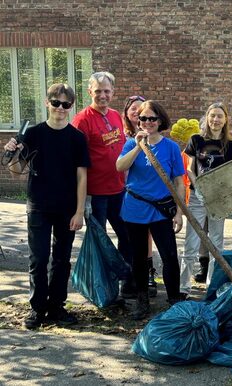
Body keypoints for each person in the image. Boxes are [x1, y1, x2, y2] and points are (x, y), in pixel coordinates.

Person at [3, 83, 90, 329]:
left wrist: (79, 211)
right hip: (38, 205)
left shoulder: (76, 138)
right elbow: (17, 171)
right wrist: (12, 152)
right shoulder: (33, 134)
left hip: (67, 208)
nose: (60, 108)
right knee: (39, 259)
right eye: (56, 103)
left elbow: (82, 176)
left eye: (66, 105)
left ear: (71, 107)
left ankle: (56, 307)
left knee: (61, 259)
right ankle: (37, 308)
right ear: (47, 103)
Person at [116, 100, 185, 320]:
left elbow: (178, 180)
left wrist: (179, 211)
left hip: (161, 208)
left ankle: (173, 299)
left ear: (160, 120)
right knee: (138, 257)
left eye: (152, 118)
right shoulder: (131, 144)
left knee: (169, 256)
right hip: (135, 207)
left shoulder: (171, 147)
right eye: (143, 118)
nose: (147, 122)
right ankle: (142, 300)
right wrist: (138, 146)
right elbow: (120, 167)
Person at [72, 72, 134, 298]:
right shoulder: (82, 120)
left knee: (126, 236)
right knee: (101, 242)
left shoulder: (117, 116)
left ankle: (126, 282)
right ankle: (103, 287)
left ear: (113, 92)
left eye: (107, 91)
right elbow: (76, 161)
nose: (102, 95)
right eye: (98, 91)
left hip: (118, 189)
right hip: (95, 194)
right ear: (89, 92)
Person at [180, 102, 232, 291]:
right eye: (212, 115)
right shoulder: (196, 140)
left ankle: (212, 287)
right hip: (198, 197)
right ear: (207, 117)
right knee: (191, 242)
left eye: (219, 116)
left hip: (218, 199)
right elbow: (190, 168)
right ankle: (183, 287)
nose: (215, 119)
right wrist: (199, 186)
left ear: (225, 120)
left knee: (216, 244)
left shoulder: (230, 146)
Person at [122, 95, 158, 297]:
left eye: (140, 109)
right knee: (129, 236)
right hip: (121, 189)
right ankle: (130, 276)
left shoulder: (151, 133)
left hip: (143, 194)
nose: (137, 112)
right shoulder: (124, 136)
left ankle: (148, 273)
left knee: (147, 235)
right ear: (127, 113)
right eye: (133, 109)